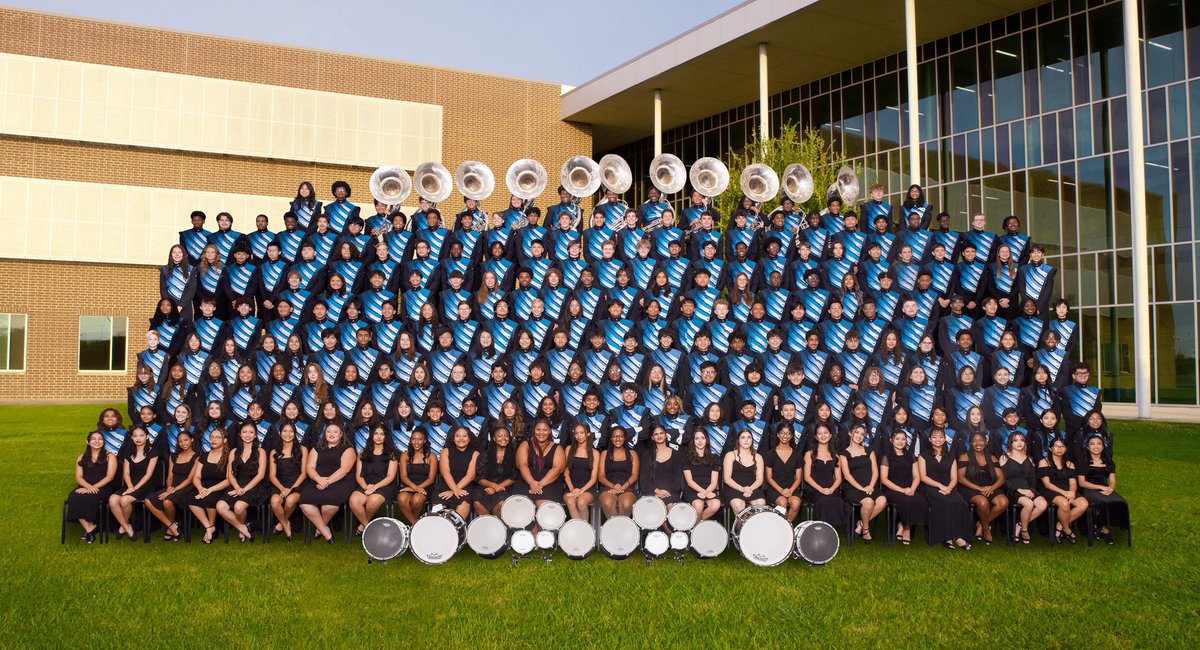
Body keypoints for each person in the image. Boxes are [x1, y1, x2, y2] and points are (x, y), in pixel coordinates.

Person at [299, 423, 357, 543]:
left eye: (335, 432)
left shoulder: (348, 449)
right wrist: (318, 479)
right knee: (305, 501)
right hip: (317, 481)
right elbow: (309, 467)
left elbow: (344, 470)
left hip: (341, 482)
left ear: (341, 434)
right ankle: (324, 530)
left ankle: (320, 528)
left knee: (329, 505)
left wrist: (327, 482)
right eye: (328, 432)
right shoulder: (317, 448)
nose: (331, 434)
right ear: (324, 434)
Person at [919, 427, 973, 549]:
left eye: (940, 437)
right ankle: (947, 538)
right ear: (930, 439)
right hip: (930, 487)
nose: (937, 439)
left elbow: (954, 477)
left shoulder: (951, 456)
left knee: (960, 503)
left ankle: (958, 536)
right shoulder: (923, 455)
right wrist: (940, 486)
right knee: (944, 502)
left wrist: (948, 488)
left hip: (948, 486)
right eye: (934, 437)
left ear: (945, 439)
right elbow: (923, 476)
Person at [216, 422, 268, 542]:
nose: (247, 435)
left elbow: (260, 475)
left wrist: (244, 489)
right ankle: (243, 528)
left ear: (255, 435)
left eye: (251, 432)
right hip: (237, 484)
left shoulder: (261, 452)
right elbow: (230, 474)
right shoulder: (234, 451)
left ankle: (242, 528)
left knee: (239, 508)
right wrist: (237, 487)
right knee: (220, 506)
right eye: (244, 432)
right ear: (240, 434)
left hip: (254, 485)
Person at [106, 427, 160, 541]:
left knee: (124, 500)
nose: (138, 438)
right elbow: (126, 473)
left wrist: (135, 488)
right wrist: (130, 486)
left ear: (147, 437)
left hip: (146, 485)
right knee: (112, 500)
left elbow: (148, 474)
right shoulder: (128, 452)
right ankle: (126, 526)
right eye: (135, 436)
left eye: (141, 435)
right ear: (131, 438)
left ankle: (123, 525)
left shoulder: (153, 451)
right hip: (130, 484)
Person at [957, 432, 1009, 545]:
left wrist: (991, 488)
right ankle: (986, 529)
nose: (978, 443)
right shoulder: (965, 456)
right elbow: (960, 478)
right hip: (970, 487)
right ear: (970, 443)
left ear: (986, 442)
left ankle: (981, 524)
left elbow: (1001, 478)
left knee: (1003, 502)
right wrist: (979, 488)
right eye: (974, 440)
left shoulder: (992, 457)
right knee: (983, 502)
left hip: (989, 487)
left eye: (981, 440)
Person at [1076, 433, 1128, 545]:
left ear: (1103, 446)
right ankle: (1105, 530)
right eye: (1092, 444)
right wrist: (1100, 487)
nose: (1096, 446)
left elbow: (1112, 481)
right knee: (1104, 501)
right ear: (1088, 447)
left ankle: (1107, 525)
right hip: (1087, 489)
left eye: (1099, 444)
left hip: (1105, 488)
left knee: (1121, 501)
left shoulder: (1109, 462)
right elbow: (1082, 482)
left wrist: (1110, 489)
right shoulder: (1082, 461)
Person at [66, 431, 118, 543]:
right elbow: (79, 477)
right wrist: (88, 487)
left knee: (90, 497)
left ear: (104, 442)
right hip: (85, 486)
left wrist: (92, 488)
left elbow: (110, 477)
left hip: (103, 488)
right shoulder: (81, 457)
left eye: (100, 439)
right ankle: (89, 527)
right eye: (93, 439)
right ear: (88, 442)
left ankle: (91, 528)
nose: (97, 441)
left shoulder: (110, 456)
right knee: (73, 496)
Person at [349, 424, 400, 535]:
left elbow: (390, 476)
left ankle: (362, 527)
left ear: (386, 437)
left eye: (382, 434)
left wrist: (374, 488)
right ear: (371, 436)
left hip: (384, 485)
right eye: (376, 433)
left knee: (372, 501)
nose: (378, 436)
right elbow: (359, 475)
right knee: (354, 501)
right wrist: (366, 487)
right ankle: (368, 527)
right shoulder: (362, 454)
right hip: (365, 484)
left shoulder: (392, 454)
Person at [839, 425, 886, 543]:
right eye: (857, 433)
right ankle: (866, 530)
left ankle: (860, 524)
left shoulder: (869, 450)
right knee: (869, 503)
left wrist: (870, 486)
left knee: (882, 501)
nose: (859, 436)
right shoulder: (843, 454)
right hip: (853, 489)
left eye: (862, 434)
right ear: (850, 433)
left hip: (870, 486)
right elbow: (847, 476)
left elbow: (875, 471)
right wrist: (861, 488)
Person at [1038, 436, 1088, 544]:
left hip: (1067, 489)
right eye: (1056, 446)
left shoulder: (1070, 464)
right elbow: (1047, 484)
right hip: (1050, 490)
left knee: (1083, 504)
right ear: (1050, 449)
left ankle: (1060, 525)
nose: (1059, 448)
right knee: (1064, 504)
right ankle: (1067, 530)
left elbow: (1073, 482)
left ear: (1066, 449)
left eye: (1062, 446)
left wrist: (1072, 492)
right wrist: (1065, 493)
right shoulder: (1044, 462)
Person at [879, 429, 925, 545]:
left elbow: (916, 476)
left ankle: (902, 525)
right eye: (897, 439)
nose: (900, 442)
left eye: (903, 439)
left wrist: (912, 489)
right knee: (905, 501)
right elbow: (884, 479)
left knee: (920, 500)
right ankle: (907, 529)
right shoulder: (887, 457)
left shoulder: (911, 456)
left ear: (906, 441)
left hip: (909, 488)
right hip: (892, 489)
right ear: (892, 440)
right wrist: (902, 490)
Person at [1000, 431, 1047, 544]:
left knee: (1043, 504)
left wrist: (1030, 490)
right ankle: (1024, 531)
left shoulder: (1029, 459)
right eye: (1015, 440)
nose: (1019, 443)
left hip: (1028, 490)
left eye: (1021, 440)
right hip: (1012, 490)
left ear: (1025, 443)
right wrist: (1019, 490)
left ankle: (1020, 525)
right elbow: (1003, 479)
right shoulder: (1004, 457)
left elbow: (1032, 480)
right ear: (1011, 443)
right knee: (1029, 504)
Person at [187, 427, 231, 544]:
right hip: (205, 487)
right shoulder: (204, 455)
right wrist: (201, 488)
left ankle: (211, 528)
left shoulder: (229, 456)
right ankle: (209, 527)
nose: (214, 439)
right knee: (191, 500)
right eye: (212, 437)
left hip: (222, 487)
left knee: (210, 498)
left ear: (225, 440)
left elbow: (228, 480)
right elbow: (196, 477)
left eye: (217, 437)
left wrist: (210, 490)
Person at [268, 422, 307, 540]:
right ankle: (285, 524)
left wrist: (291, 489)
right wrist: (282, 489)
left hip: (298, 484)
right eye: (285, 431)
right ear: (280, 433)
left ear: (295, 434)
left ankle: (280, 523)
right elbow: (272, 476)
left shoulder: (302, 449)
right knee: (274, 501)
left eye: (291, 431)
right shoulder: (274, 452)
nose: (288, 434)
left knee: (290, 501)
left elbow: (304, 473)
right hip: (280, 484)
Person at [802, 425, 847, 527]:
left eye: (825, 432)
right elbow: (807, 477)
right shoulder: (809, 454)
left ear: (830, 435)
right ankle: (825, 528)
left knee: (839, 500)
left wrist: (832, 489)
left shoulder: (835, 456)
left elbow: (838, 478)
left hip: (831, 489)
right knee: (823, 500)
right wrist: (821, 489)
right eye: (820, 433)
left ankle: (835, 528)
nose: (823, 435)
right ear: (816, 437)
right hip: (814, 490)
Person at [516, 419, 566, 506]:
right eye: (538, 430)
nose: (541, 433)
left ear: (550, 431)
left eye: (545, 430)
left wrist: (539, 485)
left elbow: (557, 469)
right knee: (523, 504)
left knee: (542, 504)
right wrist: (532, 482)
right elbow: (522, 465)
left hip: (550, 483)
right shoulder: (525, 444)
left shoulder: (557, 448)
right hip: (526, 481)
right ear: (534, 430)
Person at [435, 426, 480, 519]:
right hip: (446, 483)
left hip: (465, 485)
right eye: (457, 436)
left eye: (464, 436)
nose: (461, 439)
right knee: (438, 505)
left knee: (464, 504)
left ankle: (456, 531)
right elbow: (445, 472)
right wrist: (454, 489)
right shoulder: (446, 451)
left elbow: (470, 476)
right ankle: (438, 530)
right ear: (453, 438)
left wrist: (454, 490)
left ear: (469, 439)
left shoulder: (475, 453)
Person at [473, 426, 518, 516]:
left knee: (501, 503)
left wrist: (498, 487)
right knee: (477, 501)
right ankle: (488, 525)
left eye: (506, 436)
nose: (503, 438)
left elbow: (514, 476)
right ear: (494, 439)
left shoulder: (514, 453)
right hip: (486, 485)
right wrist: (493, 486)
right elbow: (479, 477)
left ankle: (498, 527)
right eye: (500, 436)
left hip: (506, 486)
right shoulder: (485, 454)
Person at [396, 428, 438, 524]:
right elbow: (403, 476)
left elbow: (431, 479)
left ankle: (414, 525)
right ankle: (416, 524)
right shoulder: (405, 456)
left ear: (424, 440)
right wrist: (414, 488)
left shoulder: (431, 456)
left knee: (417, 500)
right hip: (408, 486)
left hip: (426, 487)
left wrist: (418, 488)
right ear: (410, 441)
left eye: (419, 439)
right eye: (414, 439)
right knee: (402, 499)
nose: (416, 442)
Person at [763, 423, 803, 522]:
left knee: (796, 503)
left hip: (791, 488)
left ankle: (786, 528)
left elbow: (798, 478)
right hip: (774, 488)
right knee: (782, 502)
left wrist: (790, 490)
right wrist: (781, 491)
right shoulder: (770, 454)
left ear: (792, 435)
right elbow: (769, 477)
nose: (785, 436)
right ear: (777, 434)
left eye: (788, 433)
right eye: (782, 433)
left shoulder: (797, 455)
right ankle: (783, 529)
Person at [599, 426, 639, 517]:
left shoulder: (632, 454)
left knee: (626, 503)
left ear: (625, 438)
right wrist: (613, 486)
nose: (618, 439)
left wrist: (622, 488)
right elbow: (601, 476)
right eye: (614, 436)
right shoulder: (605, 454)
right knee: (608, 502)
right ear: (611, 438)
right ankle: (614, 528)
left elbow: (635, 475)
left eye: (621, 436)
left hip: (627, 488)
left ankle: (621, 528)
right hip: (609, 488)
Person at [722, 429, 766, 514]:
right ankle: (743, 527)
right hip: (734, 488)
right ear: (738, 440)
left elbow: (759, 479)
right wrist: (742, 489)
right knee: (739, 506)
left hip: (753, 488)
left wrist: (750, 489)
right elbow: (727, 479)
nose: (746, 440)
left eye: (749, 437)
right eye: (743, 437)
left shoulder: (758, 457)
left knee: (761, 504)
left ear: (752, 441)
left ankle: (755, 527)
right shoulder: (730, 455)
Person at [682, 428, 721, 522]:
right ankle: (695, 530)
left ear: (706, 440)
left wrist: (706, 492)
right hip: (692, 489)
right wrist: (703, 492)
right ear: (693, 440)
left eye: (702, 438)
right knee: (698, 506)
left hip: (709, 488)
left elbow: (714, 482)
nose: (700, 441)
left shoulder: (714, 457)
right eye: (697, 438)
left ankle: (693, 526)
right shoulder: (686, 457)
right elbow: (690, 482)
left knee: (716, 504)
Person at [563, 423, 600, 521]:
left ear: (588, 434)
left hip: (587, 489)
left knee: (581, 502)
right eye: (576, 433)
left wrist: (581, 491)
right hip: (570, 488)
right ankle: (578, 529)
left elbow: (593, 478)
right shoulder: (568, 449)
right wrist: (572, 489)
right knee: (571, 502)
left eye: (581, 433)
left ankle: (586, 530)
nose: (579, 436)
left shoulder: (595, 453)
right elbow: (566, 472)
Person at [640, 426, 685, 504]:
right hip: (651, 493)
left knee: (671, 508)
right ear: (652, 437)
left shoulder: (676, 454)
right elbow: (643, 480)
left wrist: (664, 492)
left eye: (661, 433)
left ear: (666, 435)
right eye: (656, 434)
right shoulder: (647, 455)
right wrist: (657, 491)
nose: (659, 436)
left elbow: (678, 481)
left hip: (670, 493)